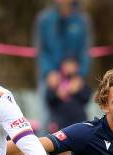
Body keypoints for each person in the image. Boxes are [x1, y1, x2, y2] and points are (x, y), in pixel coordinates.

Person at [35, 0, 92, 130]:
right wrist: (48, 72)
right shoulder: (44, 19)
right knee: (46, 121)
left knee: (78, 122)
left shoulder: (82, 20)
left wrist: (80, 75)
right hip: (50, 79)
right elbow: (41, 50)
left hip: (74, 79)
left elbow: (85, 50)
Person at [45, 57, 92, 132]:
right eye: (67, 65)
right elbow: (49, 99)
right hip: (59, 123)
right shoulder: (55, 80)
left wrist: (77, 90)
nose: (69, 68)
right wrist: (57, 93)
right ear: (62, 67)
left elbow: (86, 98)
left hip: (78, 122)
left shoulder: (80, 82)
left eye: (72, 65)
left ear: (77, 67)